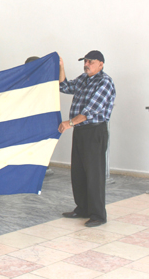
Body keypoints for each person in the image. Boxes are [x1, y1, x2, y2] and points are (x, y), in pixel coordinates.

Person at [58, 50, 116, 227]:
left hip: (94, 131)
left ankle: (98, 214)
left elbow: (91, 110)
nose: (87, 64)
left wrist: (70, 123)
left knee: (94, 174)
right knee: (79, 172)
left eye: (91, 61)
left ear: (101, 64)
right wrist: (61, 67)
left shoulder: (104, 82)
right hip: (81, 131)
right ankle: (82, 208)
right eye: (85, 61)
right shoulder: (84, 79)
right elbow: (64, 86)